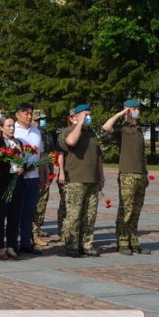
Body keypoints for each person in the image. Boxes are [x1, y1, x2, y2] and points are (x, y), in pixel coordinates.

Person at [103, 100, 150, 255]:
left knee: (136, 210)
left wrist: (145, 173)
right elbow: (106, 127)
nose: (137, 111)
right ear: (127, 110)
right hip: (127, 174)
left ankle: (133, 240)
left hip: (140, 175)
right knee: (126, 210)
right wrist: (121, 114)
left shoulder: (138, 129)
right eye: (133, 108)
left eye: (137, 108)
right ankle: (122, 241)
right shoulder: (122, 128)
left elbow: (141, 155)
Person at [58, 104, 104, 258]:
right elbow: (70, 142)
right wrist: (78, 125)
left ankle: (86, 244)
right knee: (74, 214)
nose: (88, 118)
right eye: (85, 115)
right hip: (75, 180)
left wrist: (101, 176)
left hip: (92, 180)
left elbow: (98, 157)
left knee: (90, 215)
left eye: (89, 115)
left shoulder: (91, 133)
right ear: (76, 117)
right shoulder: (68, 131)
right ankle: (72, 245)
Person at [0, 117, 24, 260]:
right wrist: (11, 153)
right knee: (0, 216)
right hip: (2, 183)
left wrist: (23, 168)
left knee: (14, 216)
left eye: (13, 126)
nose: (12, 128)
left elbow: (24, 161)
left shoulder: (18, 143)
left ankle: (11, 245)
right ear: (1, 127)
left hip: (16, 182)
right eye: (9, 126)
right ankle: (0, 246)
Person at [14, 103, 44, 256]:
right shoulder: (13, 130)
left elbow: (41, 154)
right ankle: (12, 242)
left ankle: (25, 242)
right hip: (18, 177)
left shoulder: (37, 132)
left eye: (31, 113)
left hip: (34, 177)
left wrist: (43, 174)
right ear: (17, 114)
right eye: (26, 112)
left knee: (28, 211)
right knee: (15, 211)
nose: (29, 116)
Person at [32, 109, 57, 247]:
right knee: (32, 204)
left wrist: (51, 172)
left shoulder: (47, 136)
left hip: (45, 170)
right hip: (32, 172)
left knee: (42, 202)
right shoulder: (31, 133)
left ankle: (38, 227)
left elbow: (50, 154)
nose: (42, 121)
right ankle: (31, 231)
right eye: (40, 119)